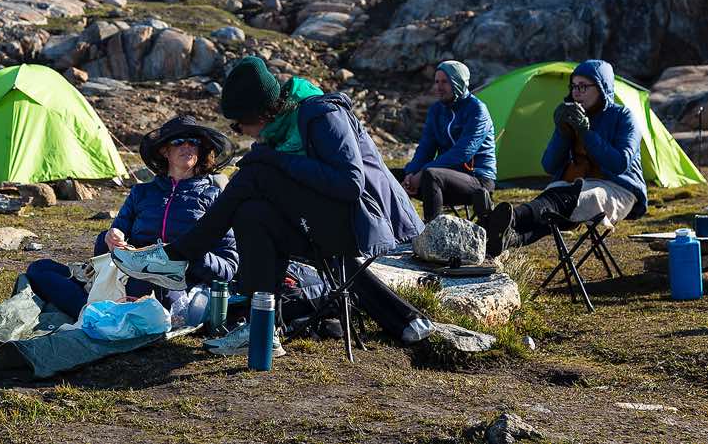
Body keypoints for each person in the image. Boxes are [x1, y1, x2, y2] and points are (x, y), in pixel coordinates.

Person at [112, 56, 431, 353]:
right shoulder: (284, 131)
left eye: (239, 125)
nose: (240, 132)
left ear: (259, 113)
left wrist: (271, 159)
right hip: (325, 224)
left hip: (362, 221)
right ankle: (262, 327)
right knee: (253, 213)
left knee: (254, 173)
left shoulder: (322, 114)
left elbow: (349, 184)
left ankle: (176, 256)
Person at [26, 115, 240, 322]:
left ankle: (95, 311)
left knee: (145, 285)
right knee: (40, 267)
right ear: (165, 151)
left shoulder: (213, 198)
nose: (187, 146)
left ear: (201, 150)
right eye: (178, 141)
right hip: (126, 276)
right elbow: (114, 238)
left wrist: (191, 253)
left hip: (177, 286)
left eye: (193, 142)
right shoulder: (142, 193)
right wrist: (113, 237)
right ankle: (99, 311)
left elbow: (229, 266)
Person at [484, 59, 648, 257]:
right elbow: (549, 166)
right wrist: (563, 133)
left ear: (602, 88)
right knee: (553, 204)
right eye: (573, 87)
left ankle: (506, 217)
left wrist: (585, 132)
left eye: (583, 87)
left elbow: (620, 163)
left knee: (561, 199)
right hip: (575, 188)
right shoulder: (572, 115)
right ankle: (505, 239)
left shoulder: (623, 117)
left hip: (618, 189)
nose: (576, 92)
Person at [392, 60, 496, 222]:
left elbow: (462, 152)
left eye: (445, 82)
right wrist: (411, 173)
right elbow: (425, 148)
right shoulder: (436, 110)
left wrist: (422, 173)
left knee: (431, 175)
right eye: (437, 82)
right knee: (389, 176)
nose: (439, 88)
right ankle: (396, 229)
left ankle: (432, 234)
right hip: (443, 178)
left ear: (458, 82)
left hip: (477, 180)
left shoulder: (477, 110)